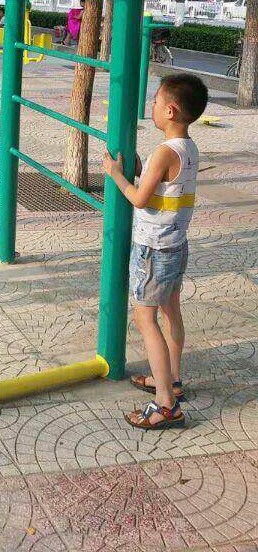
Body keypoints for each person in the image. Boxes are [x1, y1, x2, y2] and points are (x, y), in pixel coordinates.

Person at [103, 72, 209, 431]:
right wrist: (140, 168)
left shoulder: (164, 152)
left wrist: (116, 174)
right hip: (176, 245)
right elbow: (165, 186)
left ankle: (166, 405)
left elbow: (139, 198)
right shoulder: (188, 148)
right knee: (170, 311)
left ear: (170, 110)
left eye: (156, 100)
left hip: (154, 250)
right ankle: (172, 380)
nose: (152, 105)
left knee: (145, 320)